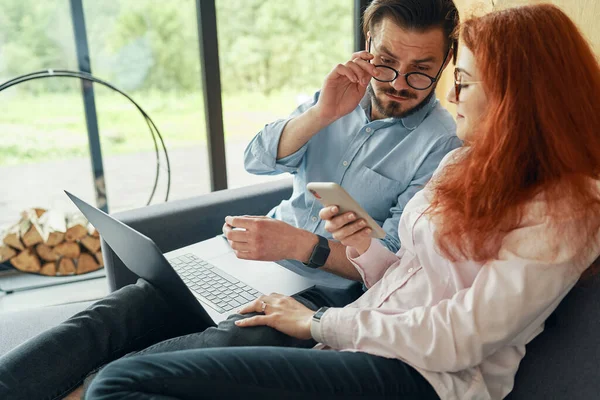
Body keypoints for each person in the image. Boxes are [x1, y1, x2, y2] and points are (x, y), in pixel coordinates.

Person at [84, 4, 600, 399]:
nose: (450, 97)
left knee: (119, 381)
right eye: (386, 62)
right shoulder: (469, 162)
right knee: (121, 323)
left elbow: (461, 338)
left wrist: (315, 322)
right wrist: (365, 247)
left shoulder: (567, 210)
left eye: (458, 81)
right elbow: (409, 273)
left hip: (421, 375)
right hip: (362, 337)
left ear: (518, 95)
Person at [0, 1, 462, 399]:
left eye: (421, 71)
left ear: (444, 64)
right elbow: (256, 158)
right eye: (386, 62)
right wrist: (323, 114)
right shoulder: (339, 93)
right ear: (366, 44)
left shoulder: (443, 144)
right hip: (249, 262)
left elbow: (397, 265)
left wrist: (298, 245)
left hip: (324, 295)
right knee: (106, 318)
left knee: (174, 359)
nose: (398, 83)